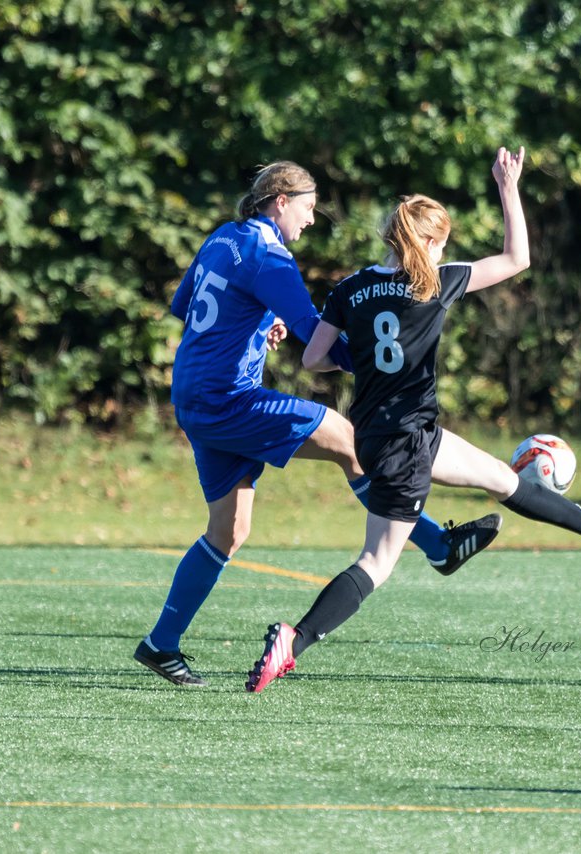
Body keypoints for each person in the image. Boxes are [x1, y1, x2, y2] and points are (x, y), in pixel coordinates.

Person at [245, 148, 581, 693]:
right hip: (407, 441)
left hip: (376, 433)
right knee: (376, 562)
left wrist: (364, 353)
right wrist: (507, 185)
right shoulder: (436, 282)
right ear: (431, 242)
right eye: (442, 241)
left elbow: (313, 359)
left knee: (501, 478)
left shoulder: (349, 288)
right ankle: (292, 641)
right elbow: (518, 257)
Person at [134, 161, 489, 687]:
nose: (312, 219)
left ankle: (160, 645)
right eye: (307, 206)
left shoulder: (223, 238)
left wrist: (256, 324)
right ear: (281, 200)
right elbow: (313, 334)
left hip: (193, 396)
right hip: (228, 400)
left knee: (229, 531)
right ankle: (438, 545)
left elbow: (188, 306)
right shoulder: (270, 256)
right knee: (349, 440)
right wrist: (376, 363)